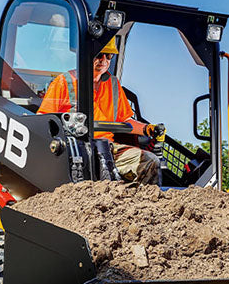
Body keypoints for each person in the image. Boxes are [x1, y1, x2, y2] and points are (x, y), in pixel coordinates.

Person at [38, 38, 163, 184]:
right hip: (75, 149)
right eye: (99, 55)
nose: (103, 60)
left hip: (108, 148)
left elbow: (125, 121)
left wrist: (147, 129)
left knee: (150, 162)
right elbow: (43, 120)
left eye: (108, 56)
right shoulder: (64, 82)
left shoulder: (113, 85)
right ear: (86, 55)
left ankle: (138, 205)